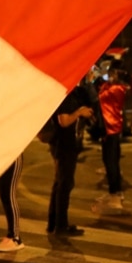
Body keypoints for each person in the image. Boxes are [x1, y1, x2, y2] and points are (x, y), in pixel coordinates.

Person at [46, 83, 95, 238]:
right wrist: (80, 112)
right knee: (64, 185)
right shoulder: (64, 95)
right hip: (63, 146)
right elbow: (64, 121)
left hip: (66, 144)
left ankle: (54, 223)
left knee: (59, 183)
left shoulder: (72, 93)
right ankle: (60, 226)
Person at [96, 66, 128, 209]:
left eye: (112, 74)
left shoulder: (117, 90)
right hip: (110, 128)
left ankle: (114, 191)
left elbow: (99, 97)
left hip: (111, 129)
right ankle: (115, 190)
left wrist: (101, 79)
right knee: (110, 160)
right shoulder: (112, 88)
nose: (109, 77)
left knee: (110, 161)